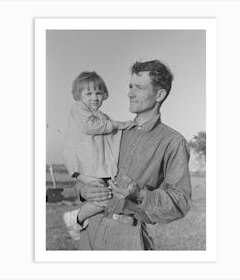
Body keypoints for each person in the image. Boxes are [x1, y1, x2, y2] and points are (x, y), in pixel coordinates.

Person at [76, 59, 192, 250]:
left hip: (127, 238)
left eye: (138, 87)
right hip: (89, 230)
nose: (129, 93)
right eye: (130, 86)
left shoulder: (173, 142)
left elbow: (180, 201)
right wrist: (82, 190)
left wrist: (141, 194)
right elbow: (85, 173)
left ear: (159, 94)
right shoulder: (113, 131)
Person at [62, 71, 132, 240]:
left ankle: (111, 214)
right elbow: (91, 127)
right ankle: (76, 217)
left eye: (98, 93)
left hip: (96, 165)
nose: (95, 97)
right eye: (88, 93)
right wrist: (119, 124)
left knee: (112, 192)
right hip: (84, 164)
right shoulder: (79, 108)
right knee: (104, 195)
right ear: (78, 96)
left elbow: (109, 139)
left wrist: (125, 129)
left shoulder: (101, 116)